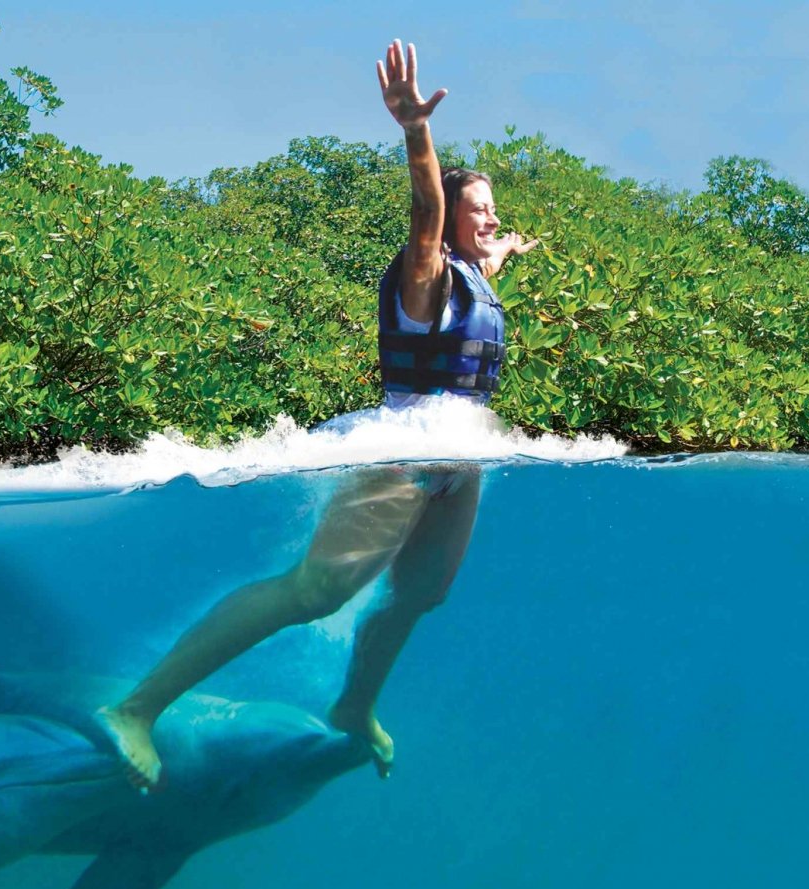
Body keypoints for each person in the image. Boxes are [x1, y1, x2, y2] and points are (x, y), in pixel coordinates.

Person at [97, 39, 539, 790]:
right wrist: (414, 130)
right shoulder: (423, 272)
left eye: (496, 209)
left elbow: (482, 258)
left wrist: (505, 251)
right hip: (406, 449)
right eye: (480, 211)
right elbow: (428, 212)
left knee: (421, 593)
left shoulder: (474, 271)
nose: (491, 219)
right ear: (448, 222)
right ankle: (136, 707)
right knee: (315, 592)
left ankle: (352, 707)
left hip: (460, 459)